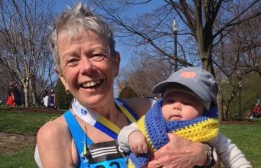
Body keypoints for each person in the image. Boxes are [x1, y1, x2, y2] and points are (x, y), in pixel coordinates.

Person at [35, 3, 217, 168]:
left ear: (115, 63)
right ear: (62, 78)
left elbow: (214, 151)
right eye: (73, 60)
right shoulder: (56, 134)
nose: (87, 68)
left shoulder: (146, 110)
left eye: (96, 54)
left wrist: (204, 156)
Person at [118, 67, 251, 168]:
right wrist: (132, 135)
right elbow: (123, 135)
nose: (177, 106)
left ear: (204, 109)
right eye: (170, 100)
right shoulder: (148, 123)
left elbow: (232, 154)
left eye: (187, 102)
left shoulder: (209, 132)